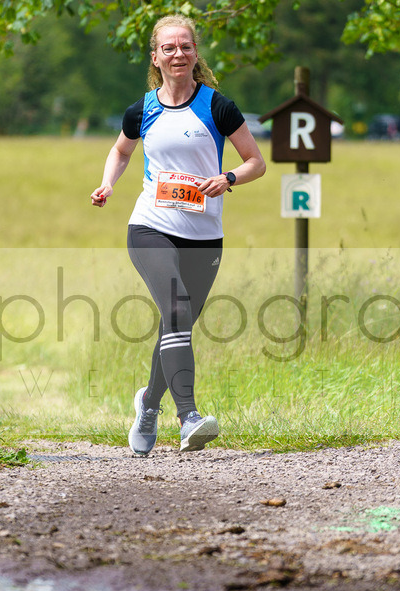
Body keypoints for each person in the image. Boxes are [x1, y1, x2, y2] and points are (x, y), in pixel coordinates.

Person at [90, 14, 265, 455]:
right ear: (156, 57)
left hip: (205, 235)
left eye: (185, 46)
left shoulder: (217, 107)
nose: (178, 54)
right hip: (151, 226)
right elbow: (121, 149)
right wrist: (109, 182)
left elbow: (255, 162)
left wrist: (228, 178)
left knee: (178, 324)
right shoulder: (143, 109)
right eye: (169, 48)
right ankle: (189, 418)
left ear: (194, 53)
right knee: (177, 310)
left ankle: (148, 405)